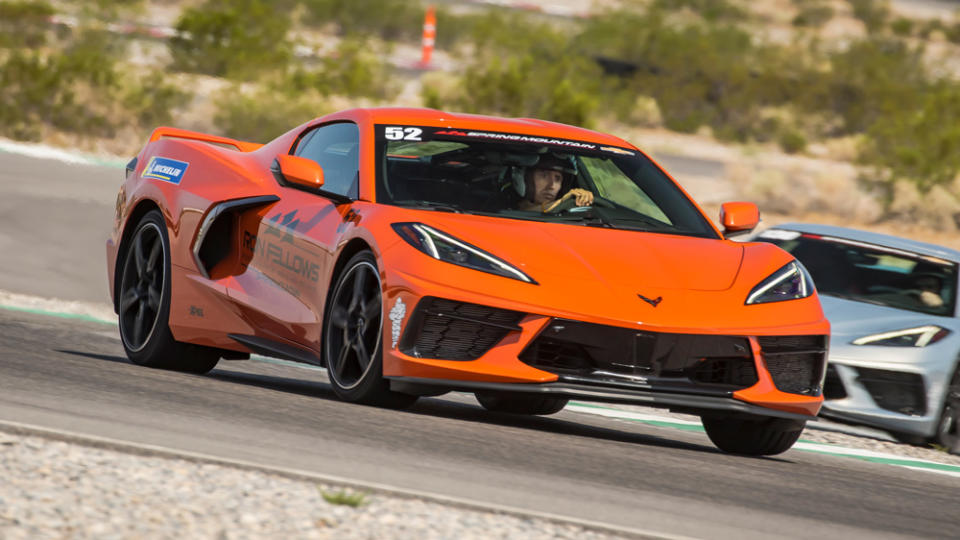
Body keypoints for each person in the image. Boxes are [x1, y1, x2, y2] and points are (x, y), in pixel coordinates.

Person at [515, 154, 594, 212]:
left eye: (557, 178)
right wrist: (562, 202)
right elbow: (526, 211)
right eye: (544, 175)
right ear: (527, 179)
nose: (551, 186)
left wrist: (585, 198)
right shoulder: (511, 209)